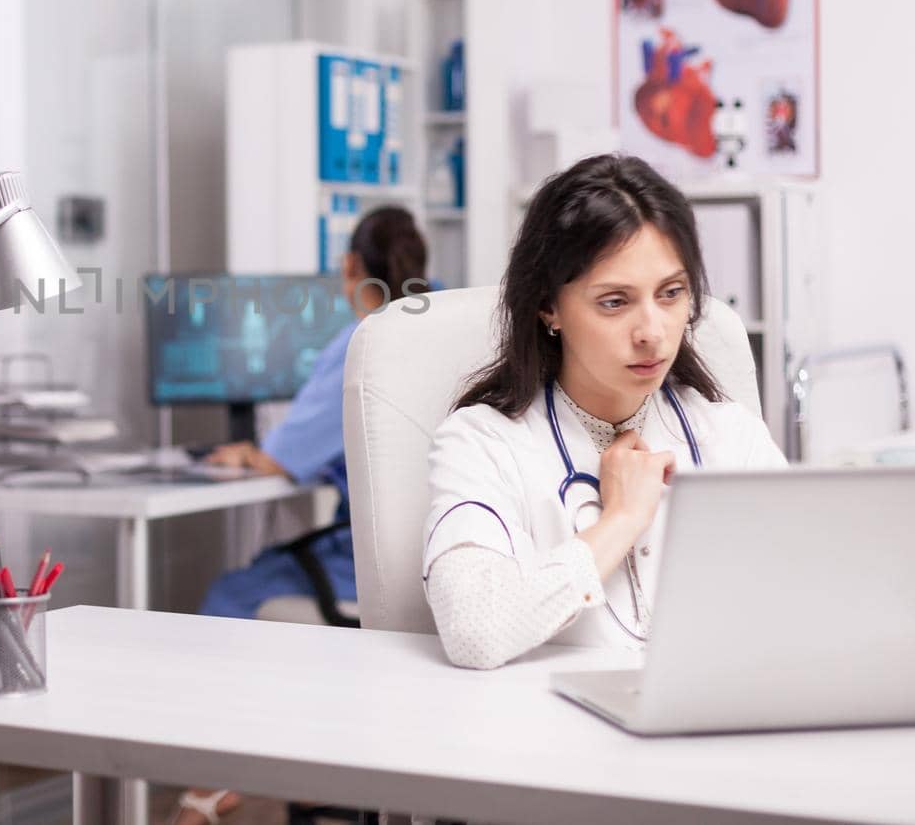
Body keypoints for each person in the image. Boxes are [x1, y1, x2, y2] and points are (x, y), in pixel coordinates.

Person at [422, 153, 785, 671]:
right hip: (545, 736)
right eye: (615, 302)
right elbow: (476, 632)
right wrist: (622, 519)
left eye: (671, 294)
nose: (652, 332)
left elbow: (810, 597)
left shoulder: (730, 435)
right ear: (549, 306)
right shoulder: (482, 442)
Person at [170, 207, 427, 825]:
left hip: (373, 564)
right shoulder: (443, 320)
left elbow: (284, 459)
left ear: (349, 269)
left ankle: (210, 789)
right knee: (279, 568)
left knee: (234, 593)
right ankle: (317, 764)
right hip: (436, 556)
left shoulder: (364, 339)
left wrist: (247, 455)